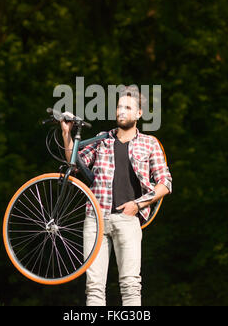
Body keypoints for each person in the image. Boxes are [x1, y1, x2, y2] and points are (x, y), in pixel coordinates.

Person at [61, 86, 172, 306]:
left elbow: (165, 184)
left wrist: (138, 205)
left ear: (139, 114)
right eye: (119, 107)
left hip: (128, 219)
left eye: (128, 107)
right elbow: (73, 165)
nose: (121, 111)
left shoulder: (150, 144)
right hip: (95, 220)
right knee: (93, 288)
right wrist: (66, 134)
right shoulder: (101, 140)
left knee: (130, 285)